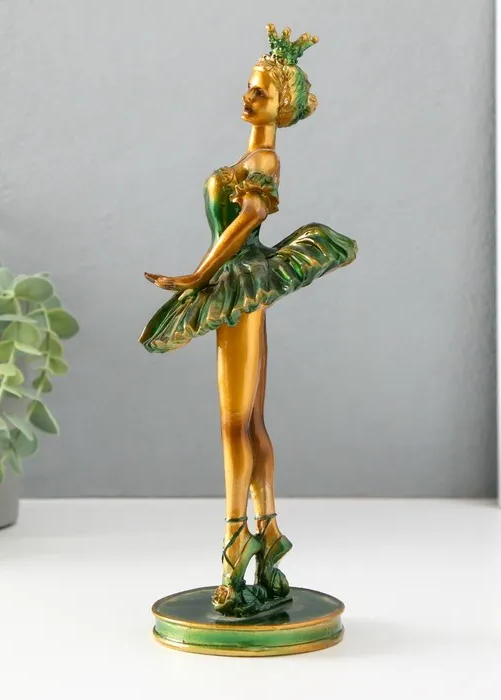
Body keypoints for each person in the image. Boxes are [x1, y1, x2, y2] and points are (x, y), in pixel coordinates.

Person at [140, 24, 358, 617]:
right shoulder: (252, 157)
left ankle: (235, 553)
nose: (248, 96)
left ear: (281, 105)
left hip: (238, 285)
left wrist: (197, 275)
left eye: (260, 91)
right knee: (252, 421)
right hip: (242, 286)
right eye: (249, 86)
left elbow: (245, 222)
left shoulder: (263, 159)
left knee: (234, 424)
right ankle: (268, 537)